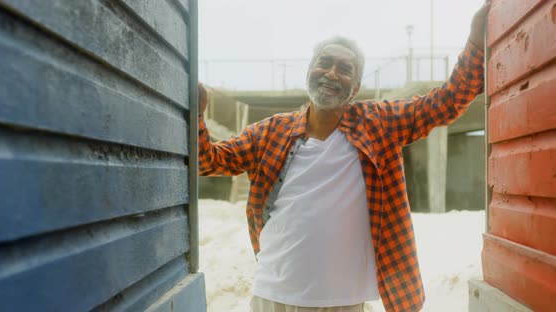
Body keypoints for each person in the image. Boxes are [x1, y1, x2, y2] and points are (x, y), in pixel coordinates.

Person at [197, 3, 490, 311]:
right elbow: (210, 161)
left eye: (345, 69)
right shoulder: (270, 132)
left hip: (344, 303)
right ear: (310, 70)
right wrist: (198, 116)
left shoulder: (377, 124)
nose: (332, 73)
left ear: (356, 87)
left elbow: (445, 101)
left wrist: (474, 43)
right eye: (324, 63)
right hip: (272, 297)